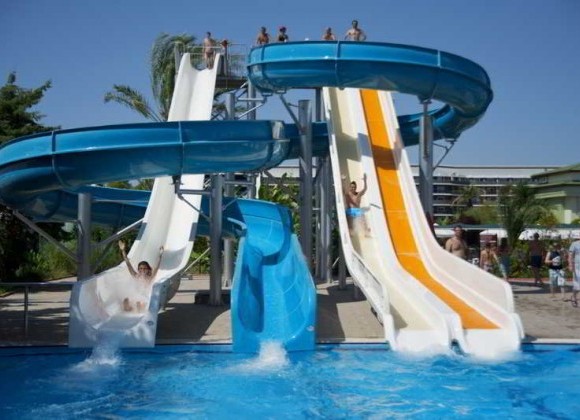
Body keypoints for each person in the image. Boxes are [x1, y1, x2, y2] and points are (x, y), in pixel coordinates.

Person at [119, 240, 164, 312]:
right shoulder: (136, 276)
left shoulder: (150, 277)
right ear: (138, 269)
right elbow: (128, 264)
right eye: (140, 268)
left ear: (148, 269)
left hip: (145, 298)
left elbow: (156, 267)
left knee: (140, 302)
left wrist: (160, 255)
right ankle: (130, 309)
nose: (142, 270)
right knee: (126, 300)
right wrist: (123, 251)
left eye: (144, 268)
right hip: (137, 297)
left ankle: (138, 309)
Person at [568, 238, 580, 307]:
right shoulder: (574, 244)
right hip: (577, 267)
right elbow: (570, 255)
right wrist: (570, 265)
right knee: (577, 285)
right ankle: (574, 297)